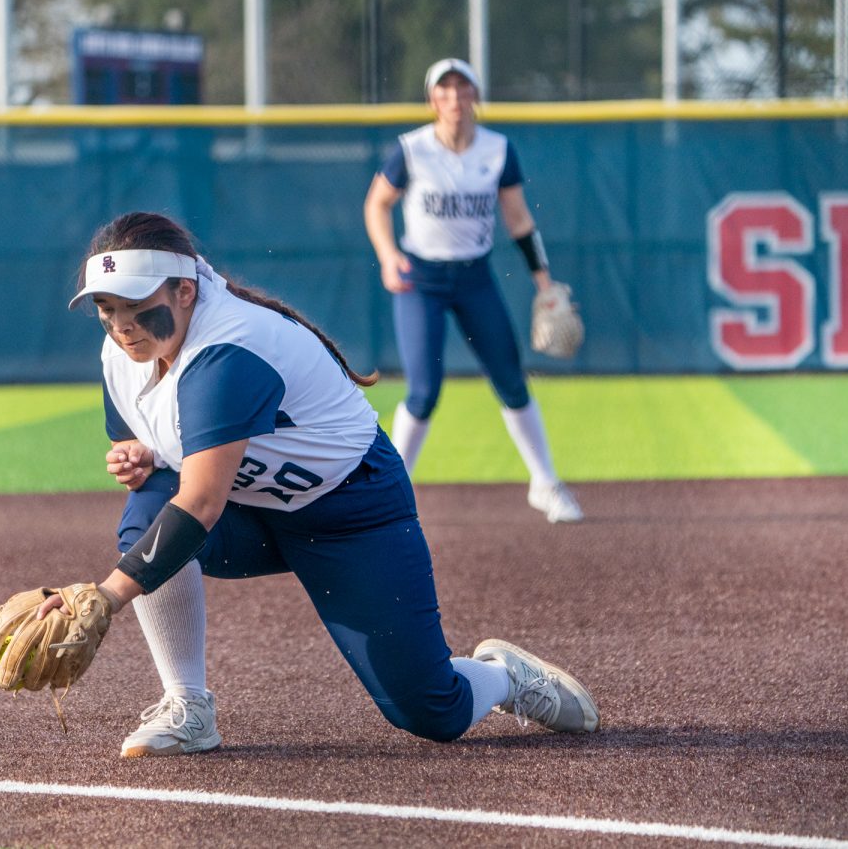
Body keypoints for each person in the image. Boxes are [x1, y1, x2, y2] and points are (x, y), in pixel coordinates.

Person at [48, 210, 599, 758]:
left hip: (350, 512)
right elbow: (151, 453)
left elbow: (201, 501)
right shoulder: (121, 357)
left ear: (186, 291)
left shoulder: (226, 352)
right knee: (149, 507)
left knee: (432, 710)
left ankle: (503, 676)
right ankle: (187, 706)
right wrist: (141, 455)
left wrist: (104, 597)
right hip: (255, 512)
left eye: (138, 305)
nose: (121, 325)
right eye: (106, 307)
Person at [363, 58, 583, 524]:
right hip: (420, 279)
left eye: (463, 89)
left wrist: (542, 280)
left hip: (474, 277)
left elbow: (519, 219)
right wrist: (387, 255)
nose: (454, 99)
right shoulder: (412, 149)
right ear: (432, 100)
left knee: (510, 379)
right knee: (423, 391)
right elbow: (377, 204)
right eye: (444, 91)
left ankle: (545, 483)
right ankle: (392, 494)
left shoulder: (498, 149)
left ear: (475, 97)